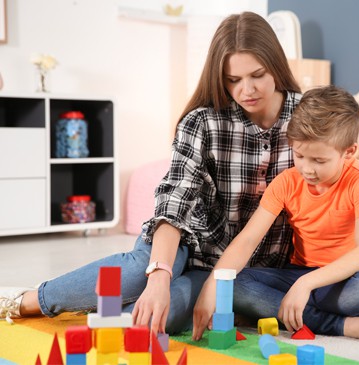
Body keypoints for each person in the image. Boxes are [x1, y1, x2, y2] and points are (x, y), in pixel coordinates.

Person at [0, 11, 303, 333]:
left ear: (277, 65)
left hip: (241, 269)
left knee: (150, 322)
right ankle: (26, 300)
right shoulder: (202, 121)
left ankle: (109, 310)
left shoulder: (307, 116)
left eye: (257, 74)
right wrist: (159, 275)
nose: (247, 90)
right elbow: (176, 198)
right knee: (139, 273)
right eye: (233, 80)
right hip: (185, 241)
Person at [192, 85, 359, 345]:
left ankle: (290, 311)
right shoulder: (286, 182)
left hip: (342, 280)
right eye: (299, 155)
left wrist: (305, 286)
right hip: (295, 274)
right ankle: (342, 324)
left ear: (349, 152)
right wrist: (212, 287)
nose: (307, 169)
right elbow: (247, 240)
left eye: (319, 161)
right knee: (235, 284)